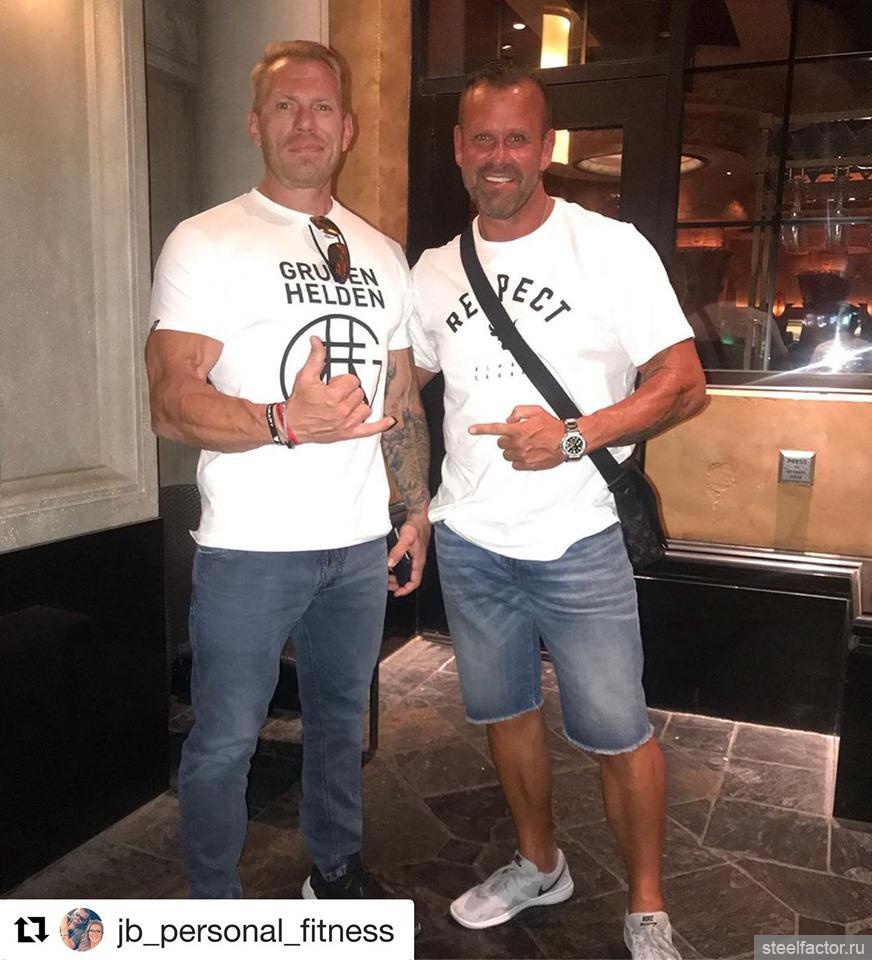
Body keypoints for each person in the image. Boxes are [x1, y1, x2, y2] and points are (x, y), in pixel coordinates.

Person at [409, 61, 706, 958]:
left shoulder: (608, 247)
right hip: (472, 538)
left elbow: (684, 382)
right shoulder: (433, 271)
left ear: (545, 148)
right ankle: (540, 863)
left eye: (517, 139)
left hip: (579, 538)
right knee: (505, 715)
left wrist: (574, 436)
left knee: (618, 732)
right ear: (459, 148)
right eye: (483, 139)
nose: (498, 156)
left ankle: (646, 905)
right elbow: (399, 383)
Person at [145, 40, 430, 900]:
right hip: (249, 549)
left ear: (347, 128)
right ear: (255, 123)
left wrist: (414, 508)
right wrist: (282, 421)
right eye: (285, 105)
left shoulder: (382, 253)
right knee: (225, 741)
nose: (306, 122)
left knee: (340, 727)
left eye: (322, 107)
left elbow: (401, 395)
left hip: (357, 545)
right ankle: (214, 910)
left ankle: (334, 873)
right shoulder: (207, 240)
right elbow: (170, 402)